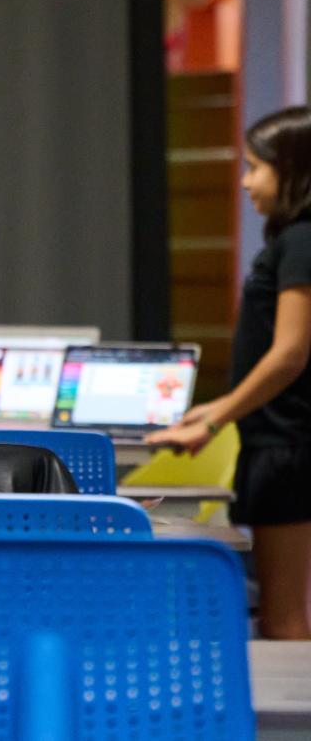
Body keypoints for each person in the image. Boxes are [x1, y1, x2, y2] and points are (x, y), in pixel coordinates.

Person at [148, 107, 311, 640]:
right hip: (276, 444)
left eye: (254, 167)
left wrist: (216, 418)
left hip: (288, 447)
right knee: (281, 614)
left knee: (283, 619)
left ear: (293, 172)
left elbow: (290, 352)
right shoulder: (293, 240)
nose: (244, 182)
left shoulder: (302, 241)